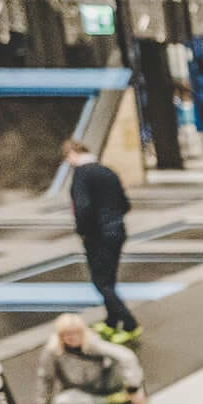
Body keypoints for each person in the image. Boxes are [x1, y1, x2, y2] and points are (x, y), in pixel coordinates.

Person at [63, 139, 138, 342]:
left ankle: (129, 323)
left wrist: (83, 231)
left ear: (72, 154)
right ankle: (111, 321)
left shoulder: (81, 174)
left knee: (101, 281)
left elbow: (83, 206)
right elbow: (125, 203)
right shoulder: (107, 171)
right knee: (109, 278)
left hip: (98, 235)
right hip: (117, 230)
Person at [28, 313, 147, 404]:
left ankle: (127, 395)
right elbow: (45, 377)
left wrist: (133, 388)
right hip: (82, 390)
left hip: (106, 381)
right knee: (61, 402)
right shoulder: (52, 351)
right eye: (67, 334)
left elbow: (126, 356)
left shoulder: (93, 342)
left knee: (122, 363)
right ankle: (113, 400)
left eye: (76, 333)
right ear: (60, 336)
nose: (72, 337)